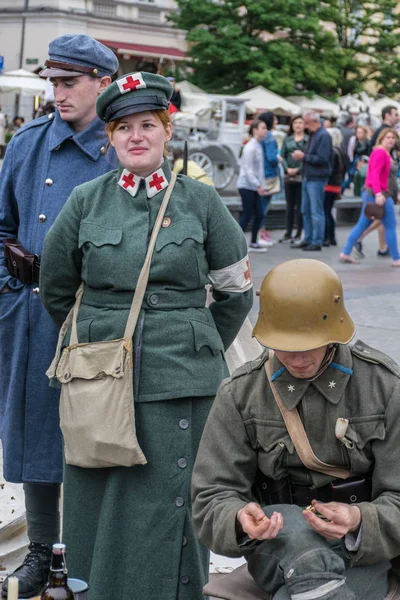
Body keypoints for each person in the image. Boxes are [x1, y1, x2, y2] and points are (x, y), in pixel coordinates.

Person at [39, 71, 253, 600]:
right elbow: (57, 290)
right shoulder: (86, 201)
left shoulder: (202, 204)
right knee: (97, 496)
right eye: (123, 127)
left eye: (148, 125)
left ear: (166, 133)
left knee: (172, 502)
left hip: (182, 383)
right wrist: (97, 341)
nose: (136, 136)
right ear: (109, 139)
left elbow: (236, 292)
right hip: (100, 383)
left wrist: (195, 339)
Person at [192, 258, 400, 600]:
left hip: (361, 550)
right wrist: (239, 518)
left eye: (307, 346)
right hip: (277, 546)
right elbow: (211, 496)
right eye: (284, 346)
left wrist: (358, 519)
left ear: (334, 331)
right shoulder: (241, 394)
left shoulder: (382, 387)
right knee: (304, 549)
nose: (296, 359)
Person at [0, 34, 118, 598]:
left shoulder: (122, 147)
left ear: (102, 82)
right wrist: (8, 283)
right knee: (35, 440)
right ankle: (42, 550)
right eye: (54, 81)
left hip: (97, 320)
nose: (59, 92)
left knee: (99, 435)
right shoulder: (27, 144)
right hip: (29, 316)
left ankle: (92, 551)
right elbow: (1, 226)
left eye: (70, 82)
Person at [340, 127, 400, 267]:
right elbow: (374, 175)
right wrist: (379, 193)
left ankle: (346, 252)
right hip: (379, 194)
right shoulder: (380, 153)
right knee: (390, 225)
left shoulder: (384, 152)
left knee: (363, 224)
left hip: (377, 194)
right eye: (388, 137)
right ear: (382, 138)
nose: (391, 140)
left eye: (393, 138)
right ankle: (397, 258)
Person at [291, 111, 333, 251]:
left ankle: (317, 241)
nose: (306, 127)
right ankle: (308, 238)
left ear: (314, 122)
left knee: (316, 211)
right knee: (306, 210)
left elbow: (322, 159)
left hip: (317, 178)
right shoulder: (316, 135)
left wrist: (304, 156)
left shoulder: (323, 136)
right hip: (309, 176)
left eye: (307, 123)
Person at [237, 119, 267, 252]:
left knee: (258, 214)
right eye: (263, 128)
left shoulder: (258, 145)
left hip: (253, 186)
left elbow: (259, 170)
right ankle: (236, 242)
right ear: (255, 130)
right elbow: (247, 169)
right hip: (246, 185)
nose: (265, 130)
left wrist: (261, 185)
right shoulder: (250, 147)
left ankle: (253, 242)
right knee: (248, 214)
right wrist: (258, 185)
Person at [280, 115, 308, 243]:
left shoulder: (308, 140)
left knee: (300, 205)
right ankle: (288, 231)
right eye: (295, 122)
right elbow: (282, 156)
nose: (298, 125)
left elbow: (307, 157)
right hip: (288, 175)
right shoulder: (287, 139)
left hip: (301, 176)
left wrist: (298, 169)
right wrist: (287, 168)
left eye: (300, 122)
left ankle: (299, 232)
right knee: (289, 205)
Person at [258, 111, 279, 246]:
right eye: (274, 119)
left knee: (261, 205)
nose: (276, 121)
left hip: (261, 173)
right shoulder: (270, 137)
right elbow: (272, 158)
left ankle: (261, 230)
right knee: (264, 206)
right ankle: (261, 232)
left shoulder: (260, 137)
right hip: (269, 174)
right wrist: (279, 159)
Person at [324, 128, 345, 247]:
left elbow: (329, 170)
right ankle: (331, 237)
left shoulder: (332, 151)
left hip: (329, 184)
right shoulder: (340, 150)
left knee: (325, 211)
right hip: (336, 185)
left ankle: (327, 236)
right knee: (329, 211)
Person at [341, 125, 371, 192]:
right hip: (355, 161)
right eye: (357, 132)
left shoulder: (367, 142)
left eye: (360, 132)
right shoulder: (354, 140)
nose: (358, 134)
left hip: (363, 161)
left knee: (357, 176)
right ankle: (341, 190)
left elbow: (368, 153)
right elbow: (351, 150)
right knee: (351, 176)